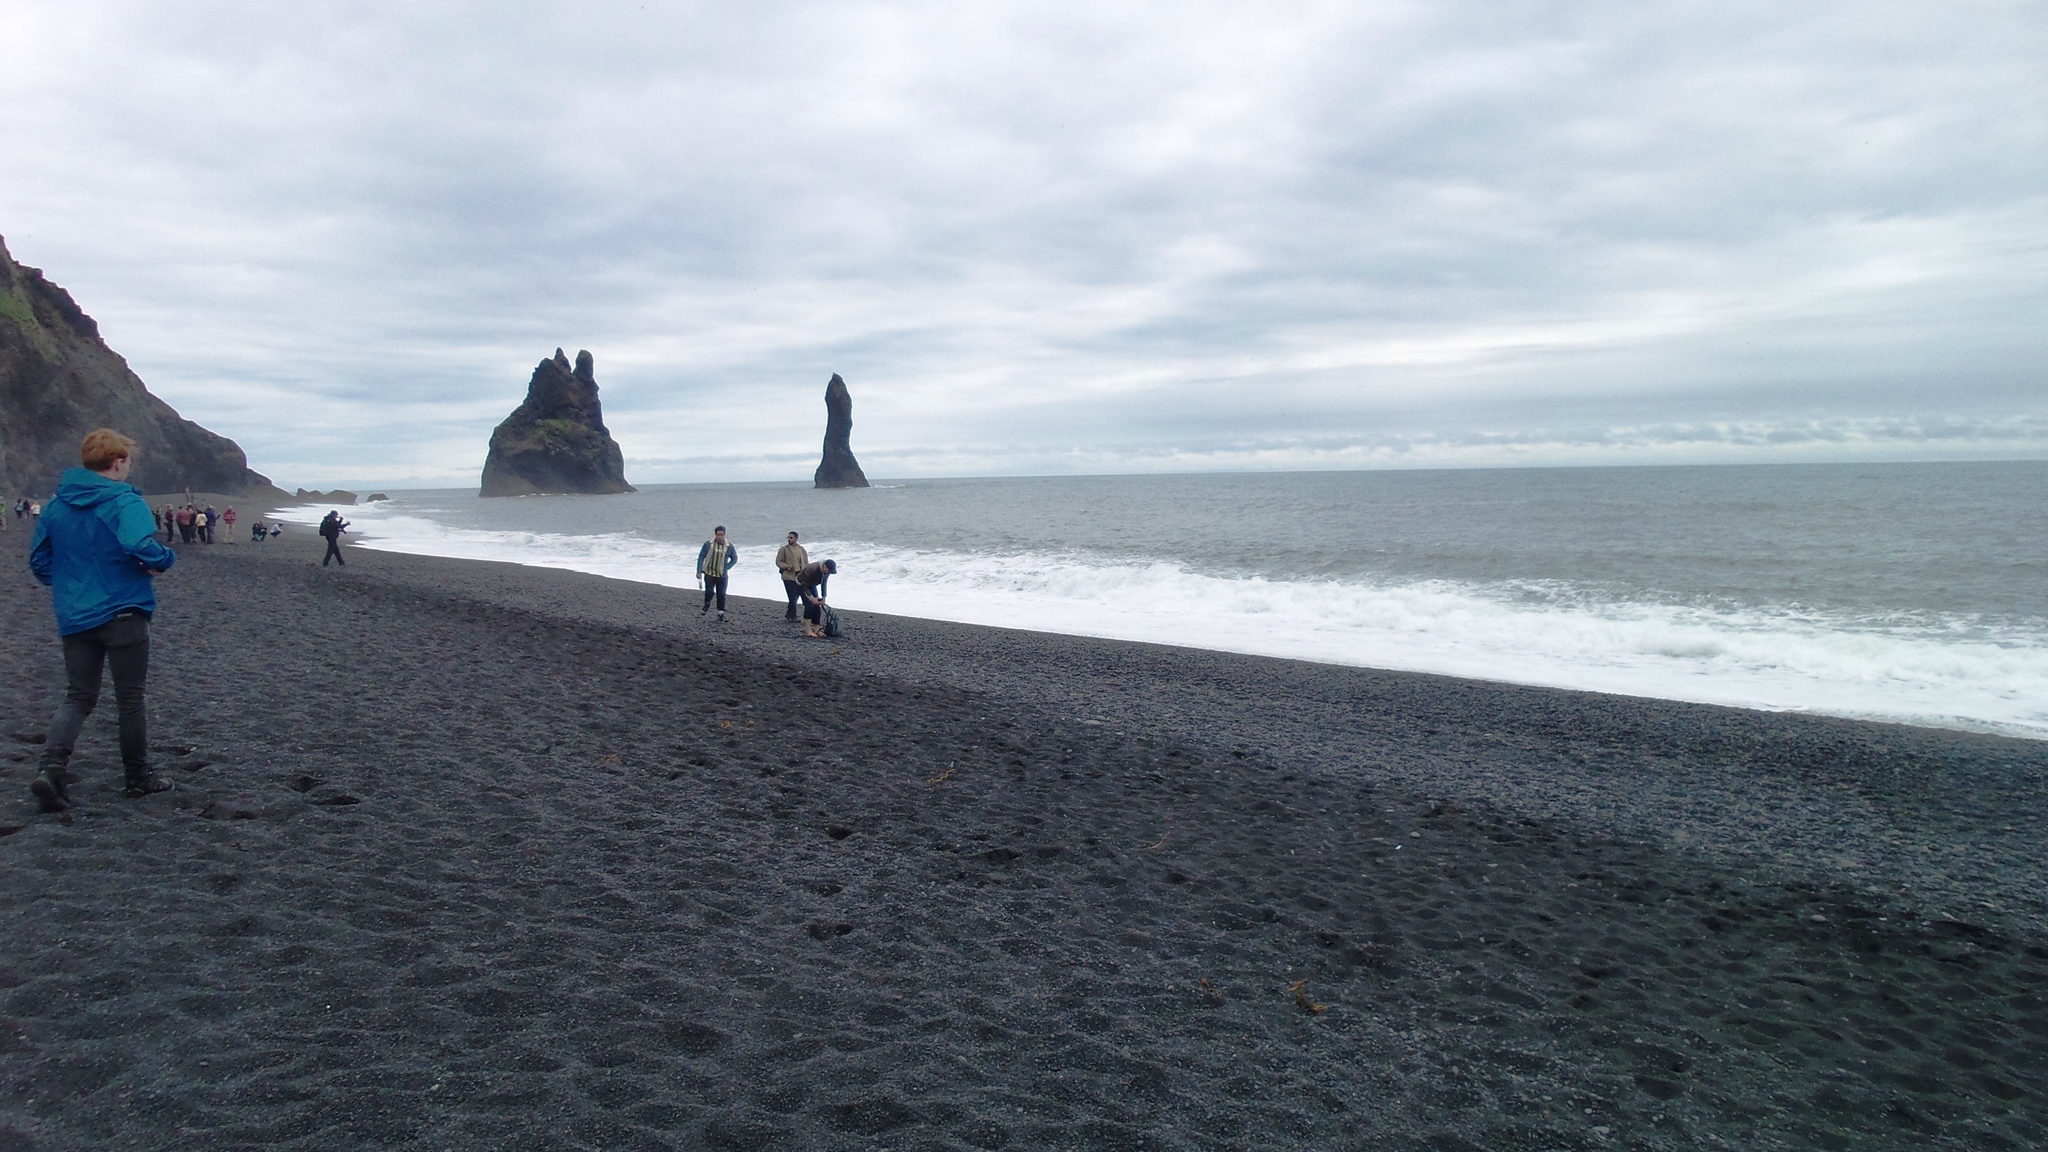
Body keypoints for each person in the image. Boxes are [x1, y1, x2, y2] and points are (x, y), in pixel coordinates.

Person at [27, 429, 177, 811]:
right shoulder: (125, 501)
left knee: (78, 696)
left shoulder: (57, 506)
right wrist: (163, 561)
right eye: (128, 460)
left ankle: (50, 768)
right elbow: (137, 544)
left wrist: (70, 583)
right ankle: (138, 776)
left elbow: (40, 562)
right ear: (118, 462)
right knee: (129, 698)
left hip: (76, 614)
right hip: (123, 611)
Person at [696, 526, 737, 620]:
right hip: (709, 573)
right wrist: (699, 571)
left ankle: (720, 613)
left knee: (721, 594)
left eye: (721, 535)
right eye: (718, 535)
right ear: (715, 535)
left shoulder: (729, 546)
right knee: (709, 592)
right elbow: (701, 556)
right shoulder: (708, 544)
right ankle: (707, 604)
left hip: (722, 575)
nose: (719, 537)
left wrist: (727, 567)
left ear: (724, 535)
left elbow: (734, 558)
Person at [795, 558, 837, 638]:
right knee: (809, 606)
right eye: (829, 571)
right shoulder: (813, 570)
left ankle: (816, 629)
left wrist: (824, 597)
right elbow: (805, 585)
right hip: (801, 584)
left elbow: (824, 583)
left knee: (817, 606)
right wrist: (811, 598)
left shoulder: (827, 571)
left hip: (812, 585)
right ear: (824, 566)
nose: (829, 573)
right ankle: (808, 630)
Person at [775, 531, 809, 622]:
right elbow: (778, 562)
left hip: (800, 576)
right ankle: (793, 616)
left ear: (796, 539)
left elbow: (806, 563)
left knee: (798, 595)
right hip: (788, 576)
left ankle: (789, 614)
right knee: (792, 596)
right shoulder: (784, 549)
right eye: (788, 538)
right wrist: (786, 566)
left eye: (791, 538)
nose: (789, 539)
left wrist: (807, 574)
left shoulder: (802, 549)